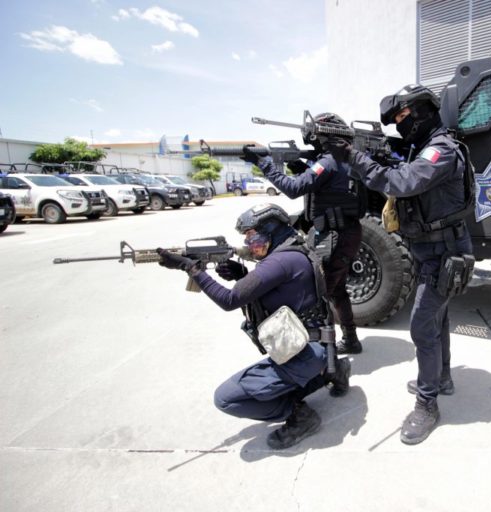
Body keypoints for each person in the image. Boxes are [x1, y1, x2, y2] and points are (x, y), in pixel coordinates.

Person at [326, 84, 474, 445]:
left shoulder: (441, 149)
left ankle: (427, 404)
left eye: (403, 116)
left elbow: (402, 182)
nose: (400, 124)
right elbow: (402, 170)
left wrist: (353, 156)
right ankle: (442, 378)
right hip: (431, 250)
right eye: (395, 120)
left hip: (444, 253)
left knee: (422, 327)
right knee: (437, 320)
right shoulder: (424, 149)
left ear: (425, 111)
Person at [156, 203, 351, 450]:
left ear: (272, 230)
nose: (250, 244)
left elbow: (229, 300)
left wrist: (191, 268)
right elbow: (279, 291)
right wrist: (241, 275)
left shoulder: (279, 262)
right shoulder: (294, 251)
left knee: (225, 399)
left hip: (301, 354)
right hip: (316, 345)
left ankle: (300, 416)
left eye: (252, 237)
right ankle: (331, 371)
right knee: (276, 381)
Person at [246, 113, 365, 355]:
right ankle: (350, 340)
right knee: (337, 290)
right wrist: (299, 165)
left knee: (318, 295)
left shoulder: (328, 161)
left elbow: (293, 188)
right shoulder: (346, 159)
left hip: (334, 236)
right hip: (346, 233)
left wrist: (264, 163)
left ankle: (324, 356)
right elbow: (324, 184)